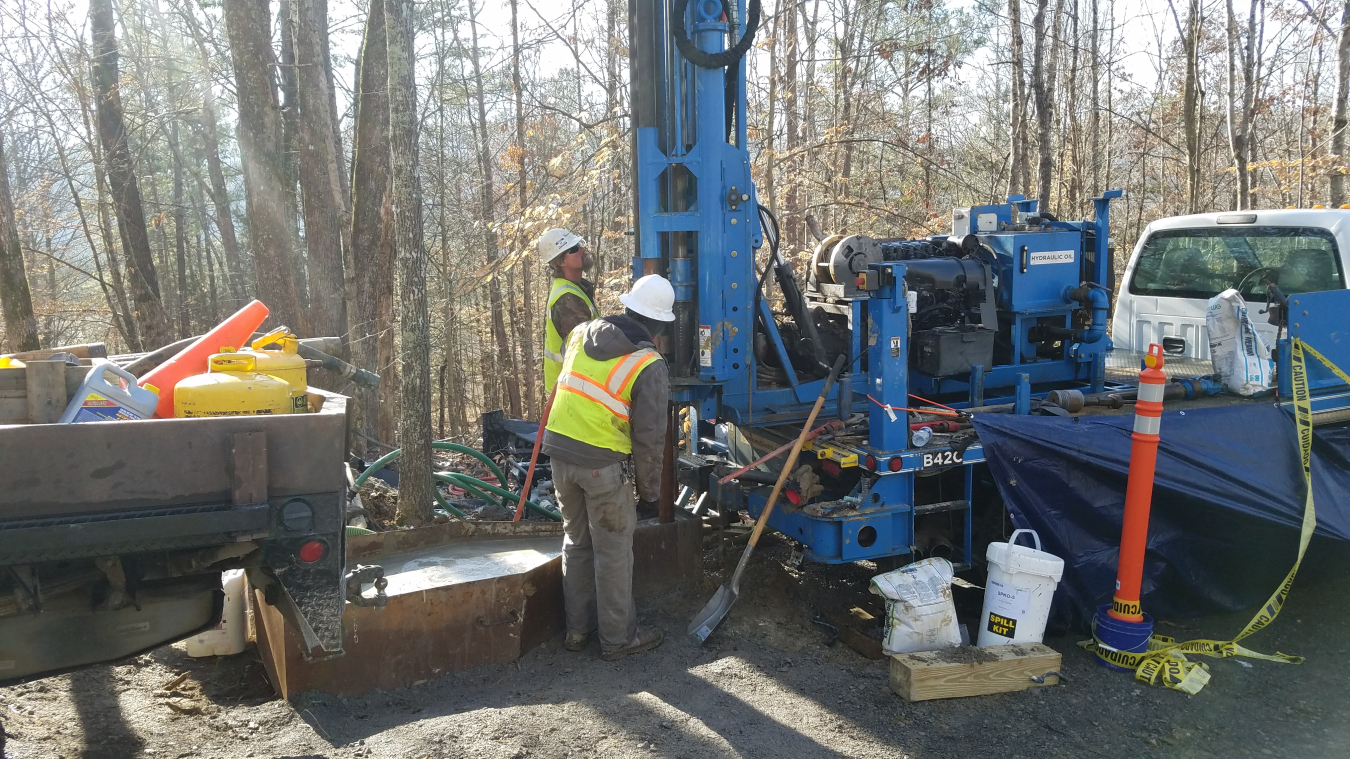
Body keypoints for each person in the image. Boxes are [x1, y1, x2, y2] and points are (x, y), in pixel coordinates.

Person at [541, 275, 673, 660]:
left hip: (560, 456)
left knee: (577, 542)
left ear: (628, 305)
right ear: (660, 324)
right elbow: (649, 438)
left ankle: (578, 631)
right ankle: (617, 640)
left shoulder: (582, 332)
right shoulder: (648, 363)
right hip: (601, 466)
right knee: (613, 552)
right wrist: (649, 494)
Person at [537, 228, 599, 394]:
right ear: (561, 262)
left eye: (579, 244)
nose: (582, 249)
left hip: (575, 388)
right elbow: (588, 350)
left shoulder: (576, 289)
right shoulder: (566, 300)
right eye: (573, 249)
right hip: (569, 394)